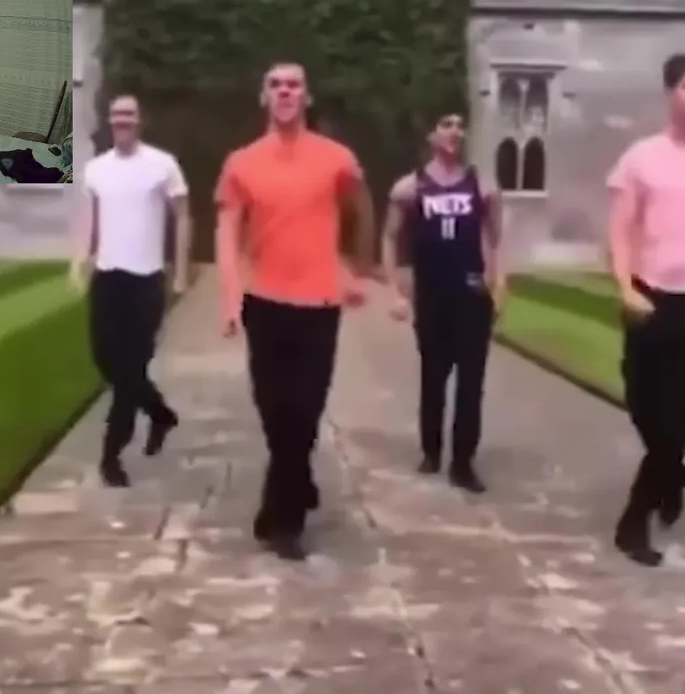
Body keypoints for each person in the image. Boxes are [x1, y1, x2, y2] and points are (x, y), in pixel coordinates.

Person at [215, 62, 376, 561]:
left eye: (294, 84)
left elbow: (363, 209)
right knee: (274, 412)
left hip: (318, 305)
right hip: (264, 302)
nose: (285, 91)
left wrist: (359, 270)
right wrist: (230, 296)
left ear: (307, 97)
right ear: (263, 97)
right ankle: (299, 479)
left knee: (303, 412)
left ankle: (282, 523)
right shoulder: (242, 163)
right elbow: (227, 232)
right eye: (276, 85)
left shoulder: (336, 159)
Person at [606, 53, 685, 567]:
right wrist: (624, 286)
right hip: (649, 295)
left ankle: (633, 520)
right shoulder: (641, 158)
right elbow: (620, 230)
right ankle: (672, 471)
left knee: (681, 413)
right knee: (644, 406)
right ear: (671, 92)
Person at [72, 94, 191, 488]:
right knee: (105, 360)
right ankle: (160, 413)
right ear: (110, 121)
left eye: (129, 114)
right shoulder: (96, 169)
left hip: (146, 280)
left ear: (140, 120)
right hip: (108, 279)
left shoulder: (162, 165)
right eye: (116, 114)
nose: (122, 120)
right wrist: (79, 260)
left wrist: (180, 272)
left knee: (130, 371)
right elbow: (89, 219)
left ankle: (111, 455)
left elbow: (182, 217)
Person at [382, 113, 505, 494]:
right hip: (432, 295)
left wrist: (499, 282)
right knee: (433, 376)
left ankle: (463, 462)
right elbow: (389, 238)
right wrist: (395, 290)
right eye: (446, 125)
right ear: (431, 135)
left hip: (471, 294)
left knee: (471, 382)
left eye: (460, 126)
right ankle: (431, 450)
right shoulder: (410, 188)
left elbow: (495, 238)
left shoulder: (483, 186)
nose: (455, 132)